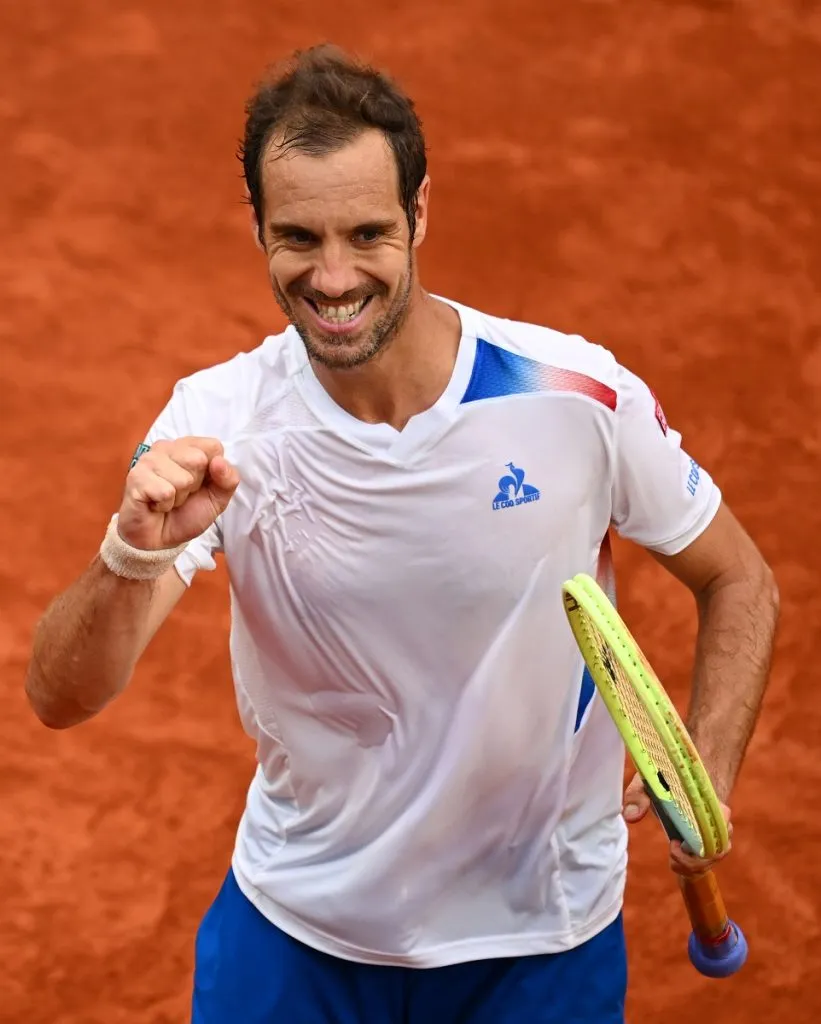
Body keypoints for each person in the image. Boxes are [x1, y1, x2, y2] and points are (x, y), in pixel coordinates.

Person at [24, 44, 779, 1024]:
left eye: (368, 233)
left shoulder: (572, 395)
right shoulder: (216, 424)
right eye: (297, 236)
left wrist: (704, 764)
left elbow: (738, 580)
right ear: (255, 227)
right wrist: (129, 555)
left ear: (420, 214)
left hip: (538, 940)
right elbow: (59, 694)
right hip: (299, 931)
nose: (333, 277)